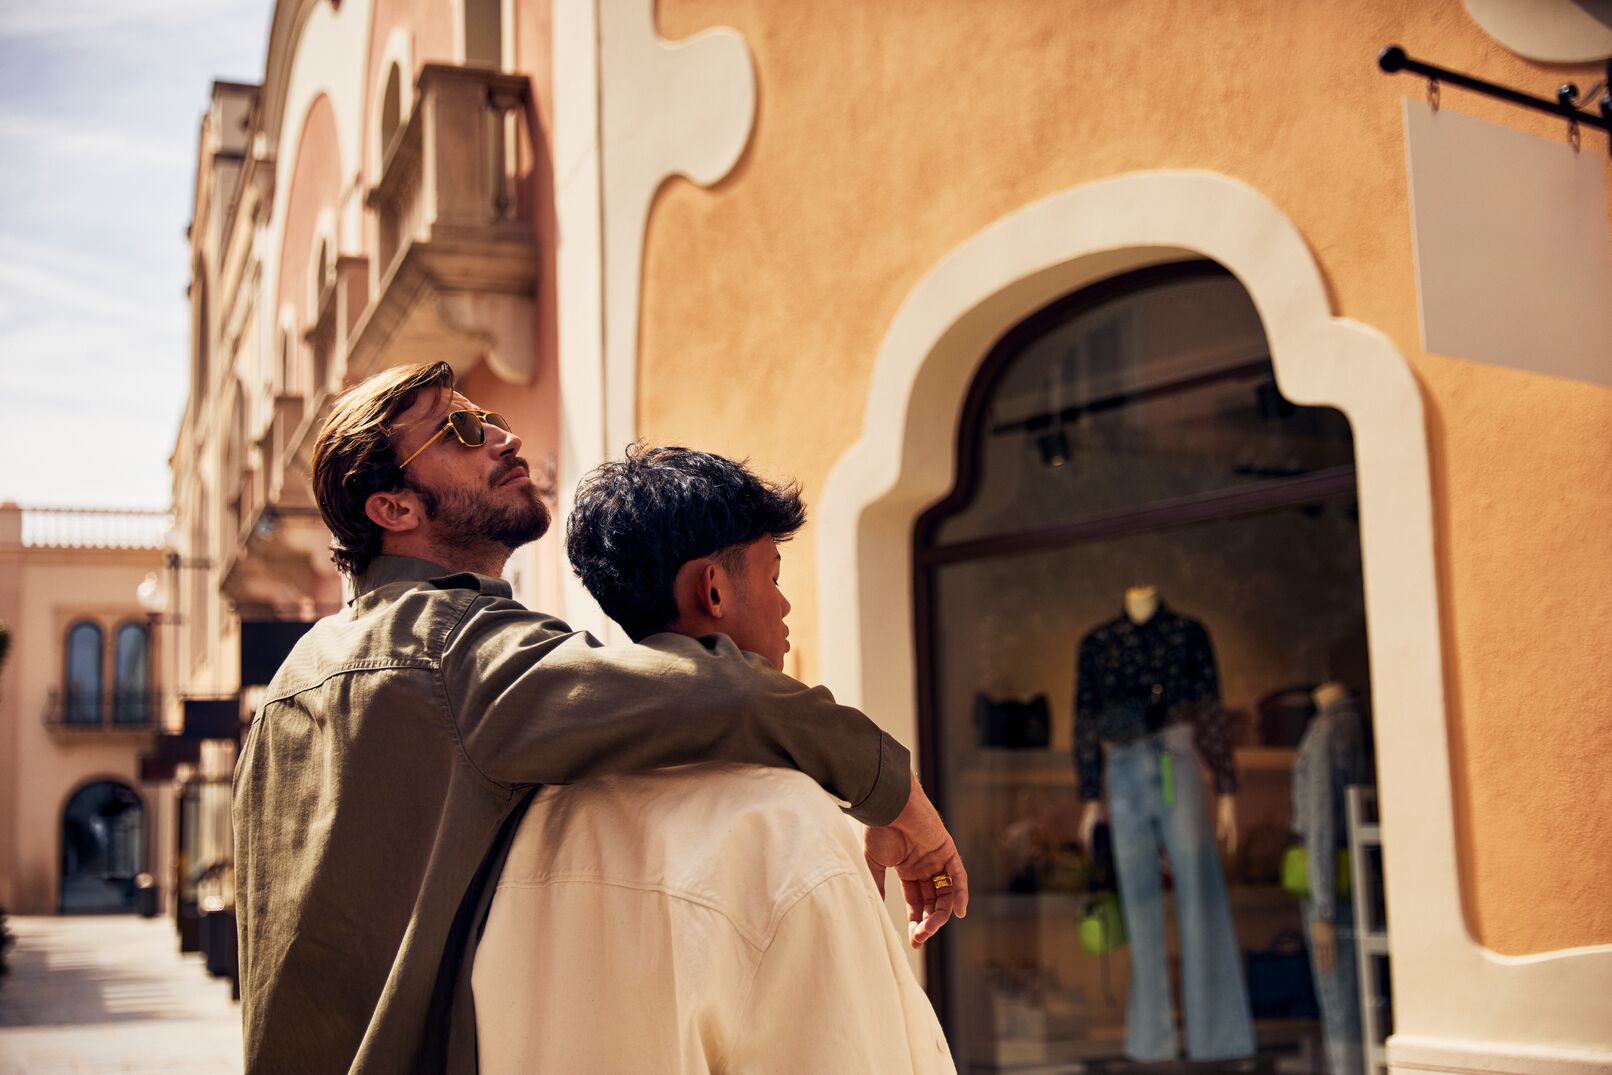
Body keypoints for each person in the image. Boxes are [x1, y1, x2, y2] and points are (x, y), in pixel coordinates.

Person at [232, 362, 968, 1074]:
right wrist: (899, 797)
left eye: (490, 417)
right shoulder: (452, 651)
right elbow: (719, 692)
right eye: (461, 430)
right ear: (394, 508)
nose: (504, 437)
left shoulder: (293, 682)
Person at [473, 446, 958, 1073]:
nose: (784, 605)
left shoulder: (536, 815)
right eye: (773, 576)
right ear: (713, 589)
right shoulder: (788, 827)